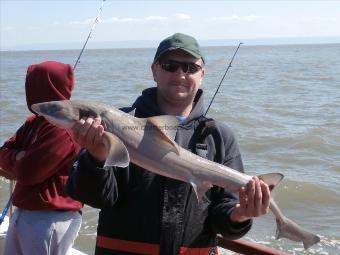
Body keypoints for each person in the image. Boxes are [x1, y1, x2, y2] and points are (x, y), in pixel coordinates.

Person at [67, 33, 271, 255]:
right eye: (170, 65)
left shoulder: (218, 137)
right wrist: (95, 158)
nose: (180, 74)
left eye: (190, 68)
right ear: (154, 71)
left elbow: (222, 220)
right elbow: (93, 197)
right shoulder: (114, 125)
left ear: (203, 73)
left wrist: (239, 215)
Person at [0, 61, 83, 255]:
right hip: (24, 213)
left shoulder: (63, 126)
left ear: (42, 86)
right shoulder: (34, 121)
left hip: (50, 219)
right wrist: (18, 157)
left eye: (31, 82)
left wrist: (18, 158)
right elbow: (3, 151)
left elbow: (29, 173)